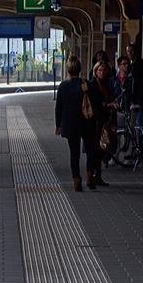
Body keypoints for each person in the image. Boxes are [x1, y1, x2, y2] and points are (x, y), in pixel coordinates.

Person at [56, 56, 100, 192]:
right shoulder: (85, 84)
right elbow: (94, 101)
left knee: (74, 154)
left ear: (67, 70)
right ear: (80, 69)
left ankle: (77, 182)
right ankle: (89, 178)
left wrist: (58, 125)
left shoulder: (63, 86)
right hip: (86, 123)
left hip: (70, 125)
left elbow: (58, 107)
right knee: (90, 151)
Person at [88, 60, 116, 187]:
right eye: (100, 70)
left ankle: (97, 174)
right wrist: (109, 105)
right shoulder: (93, 84)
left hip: (104, 119)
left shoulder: (107, 85)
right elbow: (96, 102)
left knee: (101, 148)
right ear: (96, 71)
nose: (102, 72)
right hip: (95, 121)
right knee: (96, 148)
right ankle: (94, 175)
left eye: (104, 70)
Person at [125, 42, 143, 131]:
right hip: (132, 99)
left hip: (141, 98)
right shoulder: (131, 66)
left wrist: (139, 100)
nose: (129, 53)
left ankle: (140, 139)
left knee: (139, 124)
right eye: (128, 51)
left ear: (136, 51)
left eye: (131, 51)